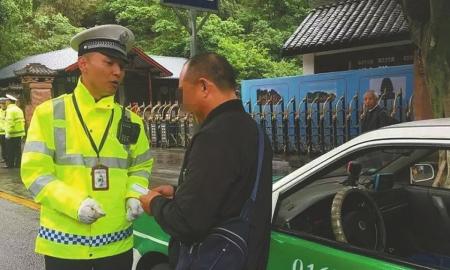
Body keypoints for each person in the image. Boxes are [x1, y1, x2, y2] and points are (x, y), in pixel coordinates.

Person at [21, 24, 153, 270]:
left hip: (117, 244)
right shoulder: (50, 113)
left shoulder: (131, 121)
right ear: (83, 64)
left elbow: (141, 166)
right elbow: (35, 173)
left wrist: (135, 194)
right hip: (65, 247)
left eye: (121, 66)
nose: (117, 72)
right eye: (109, 63)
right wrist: (75, 203)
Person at [140, 52, 273, 270]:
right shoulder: (254, 131)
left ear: (203, 86)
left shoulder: (215, 135)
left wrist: (154, 203)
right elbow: (232, 193)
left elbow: (187, 222)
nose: (180, 99)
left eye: (182, 91)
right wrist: (178, 192)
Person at [4, 94, 25, 168]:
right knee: (18, 150)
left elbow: (10, 122)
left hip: (12, 134)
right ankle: (18, 164)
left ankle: (10, 165)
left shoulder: (10, 110)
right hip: (19, 133)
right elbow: (22, 121)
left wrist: (8, 133)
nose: (5, 102)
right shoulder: (19, 109)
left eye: (6, 101)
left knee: (10, 150)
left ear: (9, 101)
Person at [0, 97, 7, 163]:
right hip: (1, 133)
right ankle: (4, 158)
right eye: (1, 103)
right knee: (3, 147)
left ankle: (7, 158)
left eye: (4, 103)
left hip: (7, 132)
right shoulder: (0, 111)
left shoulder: (8, 111)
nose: (3, 105)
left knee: (7, 146)